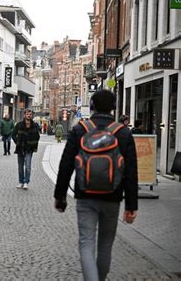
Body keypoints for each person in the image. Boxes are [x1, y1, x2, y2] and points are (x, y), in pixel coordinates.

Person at [54, 90, 138, 281]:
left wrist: (60, 196)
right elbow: (132, 171)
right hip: (113, 196)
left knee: (86, 243)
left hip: (85, 196)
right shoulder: (123, 133)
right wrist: (131, 206)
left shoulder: (80, 129)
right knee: (106, 245)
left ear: (92, 107)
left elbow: (66, 164)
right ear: (113, 108)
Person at [12, 109, 40, 189]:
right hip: (20, 148)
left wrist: (33, 144)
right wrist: (17, 142)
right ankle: (21, 181)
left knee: (28, 166)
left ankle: (26, 182)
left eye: (30, 114)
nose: (29, 115)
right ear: (25, 115)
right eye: (27, 114)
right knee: (20, 166)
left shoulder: (34, 125)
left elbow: (37, 136)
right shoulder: (19, 124)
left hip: (29, 149)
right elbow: (13, 134)